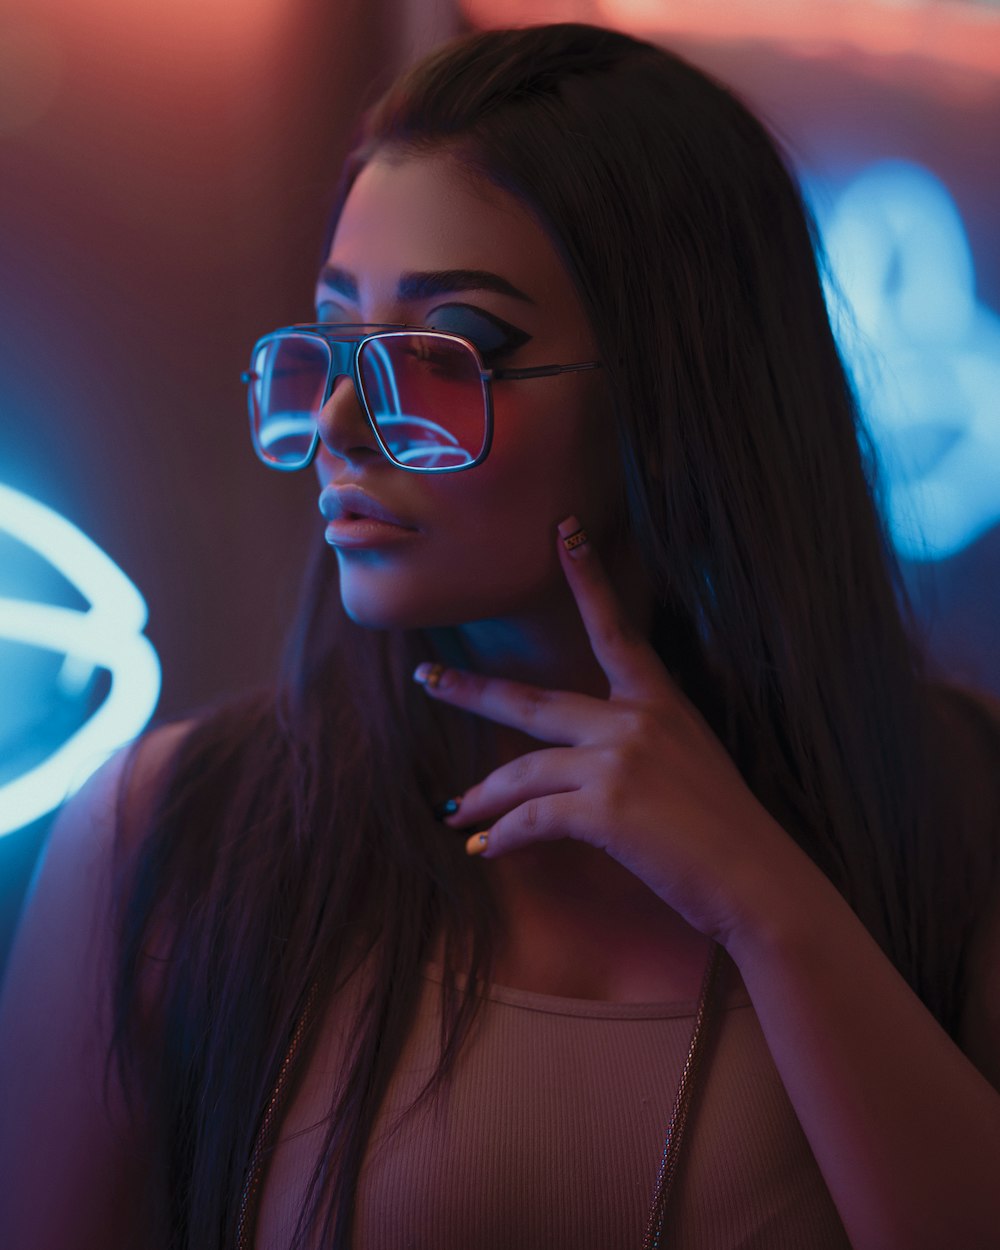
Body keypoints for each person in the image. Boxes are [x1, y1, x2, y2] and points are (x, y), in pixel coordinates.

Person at [1, 21, 999, 1250]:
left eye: (448, 350)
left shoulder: (956, 811)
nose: (342, 431)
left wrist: (766, 903)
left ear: (679, 388)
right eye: (335, 342)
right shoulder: (168, 834)